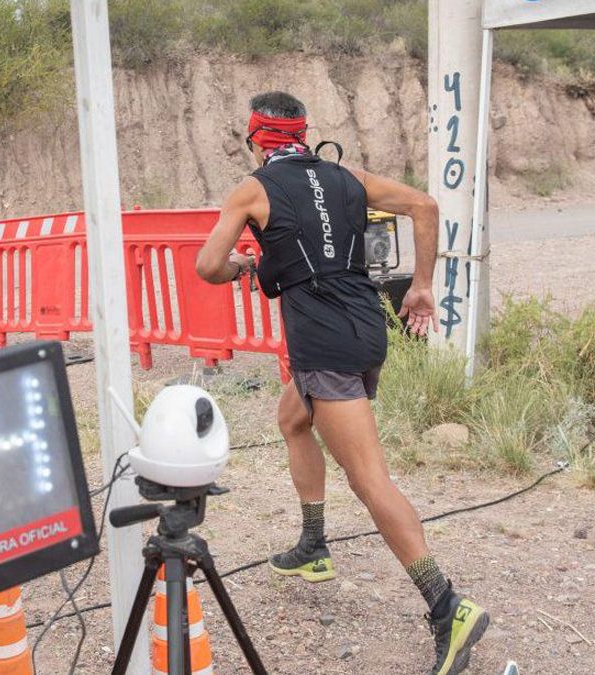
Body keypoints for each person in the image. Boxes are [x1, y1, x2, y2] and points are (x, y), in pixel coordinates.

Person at [195, 92, 489, 675]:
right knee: (292, 418)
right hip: (364, 329)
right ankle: (313, 545)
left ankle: (446, 606)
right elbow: (425, 205)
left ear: (256, 139)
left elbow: (207, 266)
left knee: (369, 479)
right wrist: (421, 285)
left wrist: (243, 266)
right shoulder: (347, 176)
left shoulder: (252, 190)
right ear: (303, 134)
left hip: (324, 345)